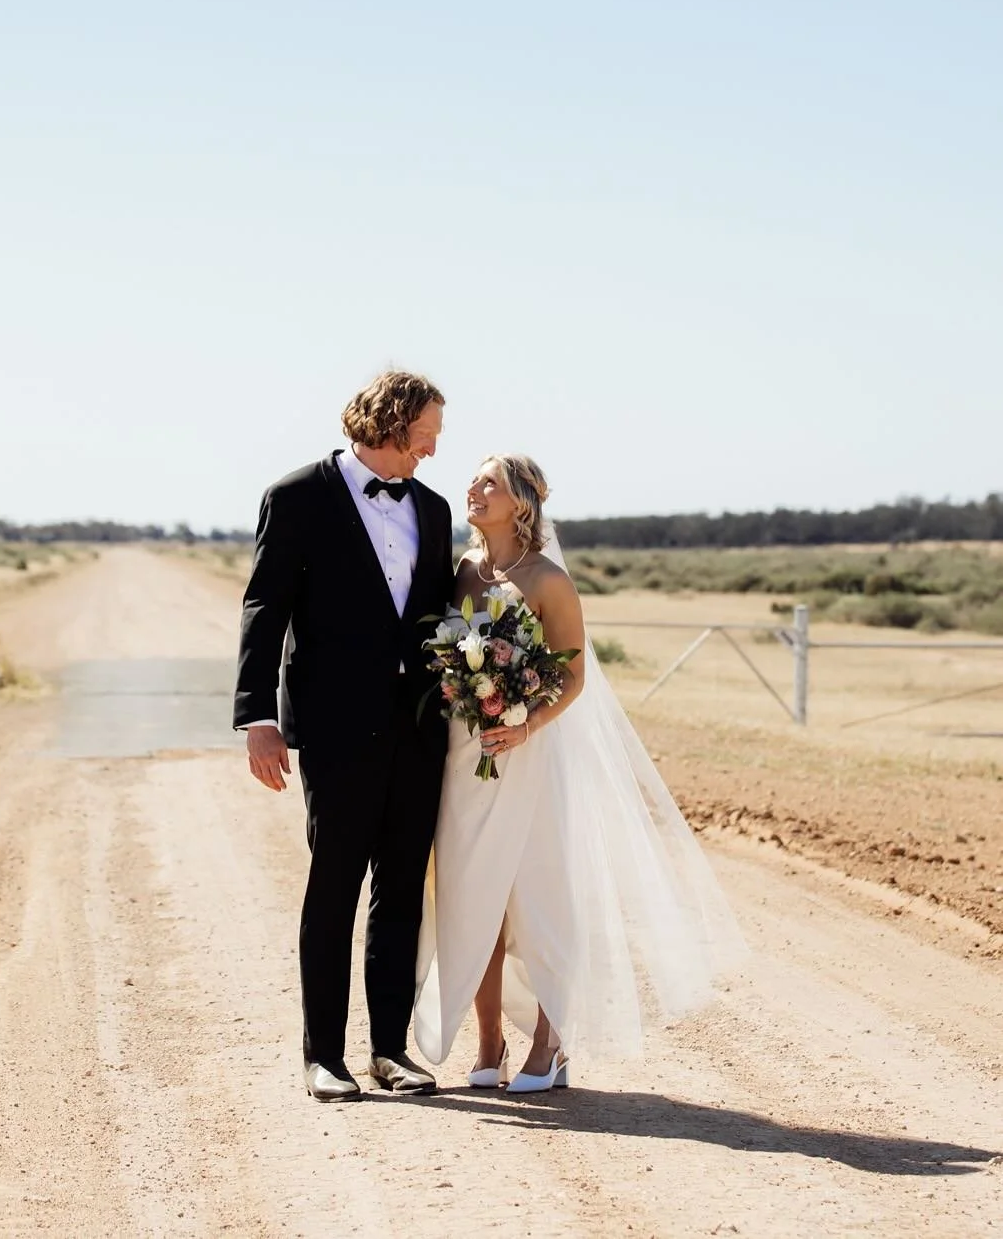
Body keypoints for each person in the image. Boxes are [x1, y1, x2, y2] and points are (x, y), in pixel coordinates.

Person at [414, 455, 745, 1091]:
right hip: (469, 754)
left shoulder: (547, 579)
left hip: (530, 755)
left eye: (490, 483)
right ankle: (488, 1043)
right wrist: (468, 693)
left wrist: (524, 723)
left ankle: (552, 1040)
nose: (474, 490)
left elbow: (571, 675)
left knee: (538, 898)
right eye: (475, 481)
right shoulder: (463, 572)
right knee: (471, 898)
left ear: (521, 503)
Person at [234, 371, 455, 1102]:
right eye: (428, 429)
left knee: (400, 891)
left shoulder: (433, 505)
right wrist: (257, 716)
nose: (434, 444)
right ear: (393, 424)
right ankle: (321, 1055)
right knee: (333, 887)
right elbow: (265, 606)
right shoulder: (297, 495)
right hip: (335, 727)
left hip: (419, 728)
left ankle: (389, 1050)